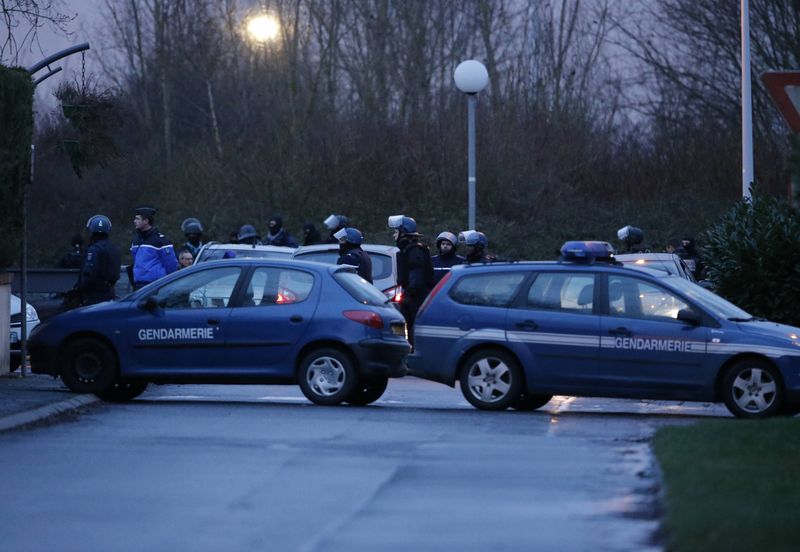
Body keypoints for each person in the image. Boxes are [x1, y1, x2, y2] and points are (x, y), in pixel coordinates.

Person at [388, 215, 433, 344]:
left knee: (412, 330)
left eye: (396, 232)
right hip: (413, 298)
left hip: (416, 300)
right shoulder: (409, 250)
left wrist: (407, 295)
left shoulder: (414, 252)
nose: (394, 235)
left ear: (403, 234)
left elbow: (416, 279)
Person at [129, 206, 178, 289]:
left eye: (137, 219)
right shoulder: (136, 240)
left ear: (146, 221)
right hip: (138, 286)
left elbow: (171, 264)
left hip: (155, 286)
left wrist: (169, 284)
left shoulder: (161, 241)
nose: (134, 221)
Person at [77, 215, 121, 305]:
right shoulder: (114, 248)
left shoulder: (94, 249)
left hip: (95, 295)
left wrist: (80, 288)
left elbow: (89, 272)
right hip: (110, 292)